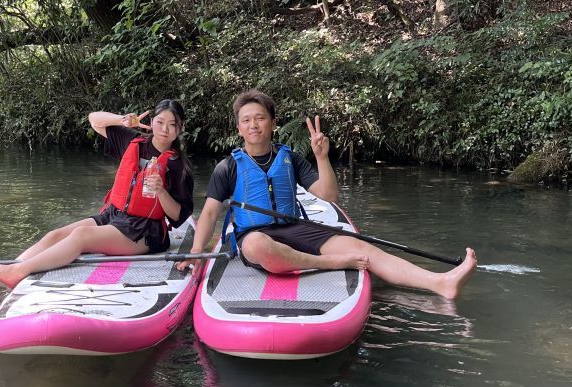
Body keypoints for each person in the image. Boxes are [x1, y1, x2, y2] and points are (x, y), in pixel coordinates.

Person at [184, 89, 477, 300]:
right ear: (238, 128)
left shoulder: (291, 158)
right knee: (259, 245)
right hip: (254, 236)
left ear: (273, 123)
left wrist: (322, 158)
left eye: (260, 118)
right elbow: (210, 213)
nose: (253, 125)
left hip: (294, 228)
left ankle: (440, 283)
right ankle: (330, 263)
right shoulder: (229, 167)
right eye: (246, 120)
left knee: (363, 249)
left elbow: (328, 194)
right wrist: (196, 254)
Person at [0, 99, 194, 289]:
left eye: (172, 125)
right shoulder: (131, 140)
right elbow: (94, 119)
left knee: (81, 236)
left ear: (180, 128)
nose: (165, 129)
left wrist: (161, 191)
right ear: (152, 122)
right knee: (55, 235)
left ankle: (17, 273)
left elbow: (178, 216)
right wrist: (122, 120)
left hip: (144, 231)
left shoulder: (178, 167)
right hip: (114, 216)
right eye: (160, 122)